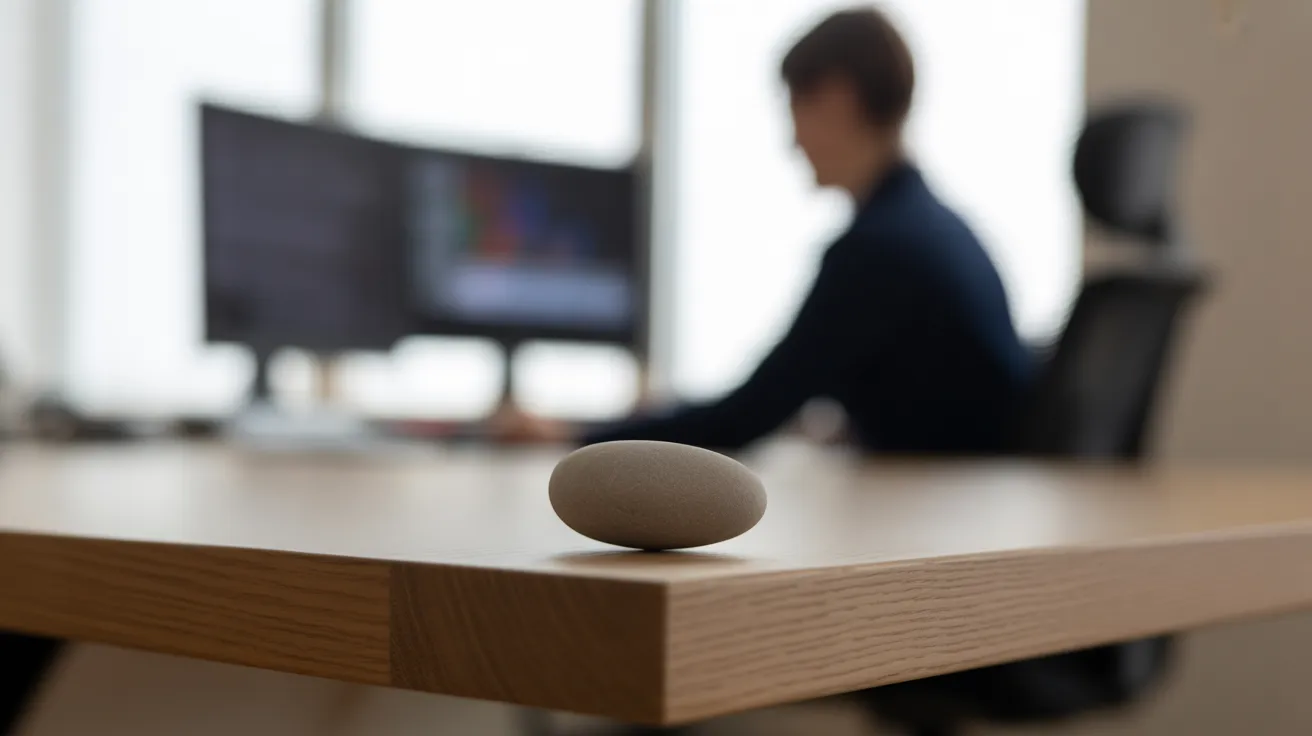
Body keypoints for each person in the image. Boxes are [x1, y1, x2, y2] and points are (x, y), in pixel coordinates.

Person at [501, 6, 1034, 455]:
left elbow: (748, 414)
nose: (793, 140)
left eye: (796, 108)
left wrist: (577, 437)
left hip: (953, 516)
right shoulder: (938, 231)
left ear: (836, 98)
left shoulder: (882, 251)